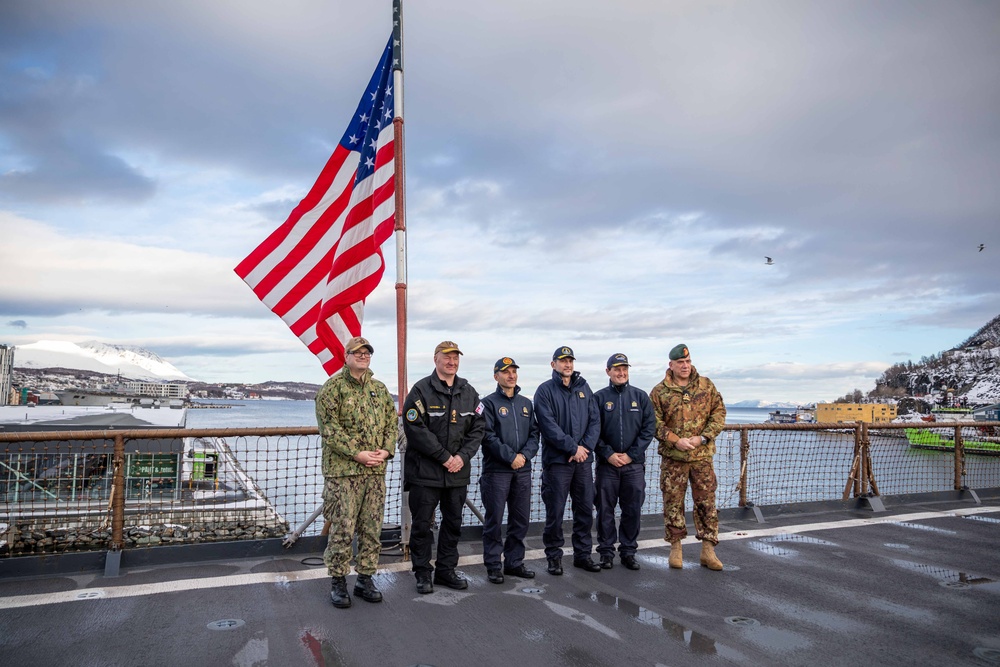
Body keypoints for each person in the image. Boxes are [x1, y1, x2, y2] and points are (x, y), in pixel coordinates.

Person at [315, 336, 397, 608]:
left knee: (372, 528)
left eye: (367, 353)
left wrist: (385, 451)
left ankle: (365, 578)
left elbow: (391, 425)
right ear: (346, 356)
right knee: (342, 528)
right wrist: (357, 453)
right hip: (344, 473)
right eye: (357, 352)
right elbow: (330, 429)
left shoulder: (380, 389)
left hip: (374, 473)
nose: (363, 356)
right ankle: (338, 581)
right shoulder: (332, 388)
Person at [401, 340, 484, 594]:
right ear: (435, 359)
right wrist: (444, 457)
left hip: (457, 474)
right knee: (422, 525)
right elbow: (415, 429)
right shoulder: (420, 391)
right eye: (446, 357)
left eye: (455, 357)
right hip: (425, 475)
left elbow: (478, 428)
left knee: (453, 524)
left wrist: (461, 457)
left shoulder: (469, 392)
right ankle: (423, 573)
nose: (452, 362)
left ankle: (446, 571)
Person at [649, 343, 727, 571]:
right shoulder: (659, 391)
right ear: (670, 365)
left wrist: (703, 437)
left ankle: (708, 550)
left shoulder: (706, 385)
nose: (685, 366)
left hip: (701, 457)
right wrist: (675, 439)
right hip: (674, 458)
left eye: (688, 361)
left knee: (706, 503)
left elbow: (719, 413)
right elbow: (654, 423)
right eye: (680, 363)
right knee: (673, 503)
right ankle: (676, 548)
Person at [534, 345, 602, 575]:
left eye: (570, 360)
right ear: (553, 364)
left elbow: (595, 421)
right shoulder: (544, 391)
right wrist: (573, 448)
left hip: (583, 463)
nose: (568, 364)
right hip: (558, 463)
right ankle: (554, 557)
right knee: (556, 512)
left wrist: (584, 449)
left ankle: (583, 555)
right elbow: (548, 426)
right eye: (563, 361)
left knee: (584, 510)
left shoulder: (584, 388)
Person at [477, 357, 540, 584]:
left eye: (513, 371)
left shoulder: (526, 404)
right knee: (494, 520)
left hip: (522, 471)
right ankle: (493, 565)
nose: (511, 375)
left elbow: (534, 434)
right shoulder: (487, 404)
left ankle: (514, 562)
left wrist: (524, 456)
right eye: (505, 372)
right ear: (496, 376)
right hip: (497, 472)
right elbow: (488, 436)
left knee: (520, 519)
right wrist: (510, 457)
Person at [593, 353, 656, 571]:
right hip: (606, 466)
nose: (621, 373)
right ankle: (606, 552)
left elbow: (649, 429)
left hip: (633, 466)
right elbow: (593, 430)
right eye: (617, 369)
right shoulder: (599, 398)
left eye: (624, 369)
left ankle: (628, 552)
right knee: (605, 510)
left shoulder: (640, 397)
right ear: (608, 371)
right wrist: (608, 453)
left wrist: (631, 454)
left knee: (632, 510)